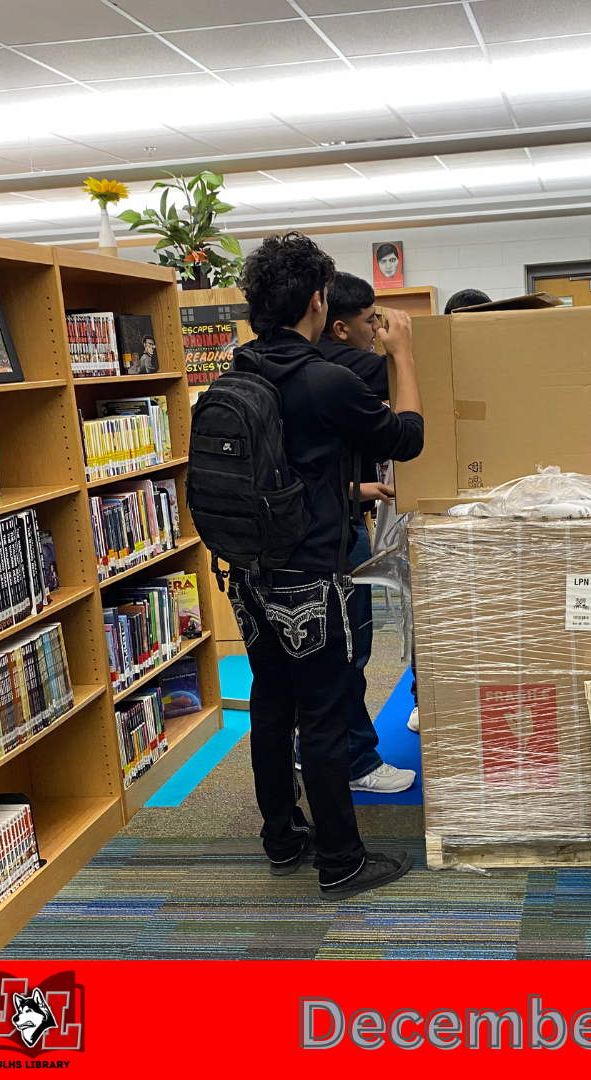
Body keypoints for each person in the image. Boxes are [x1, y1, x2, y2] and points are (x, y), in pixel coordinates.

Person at [229, 232, 424, 900]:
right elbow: (409, 438)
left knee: (270, 702)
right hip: (312, 574)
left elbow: (280, 474)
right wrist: (401, 355)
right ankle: (341, 860)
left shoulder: (238, 374)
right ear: (317, 300)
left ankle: (282, 837)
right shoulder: (326, 379)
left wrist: (347, 490)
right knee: (325, 707)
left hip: (250, 576)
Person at [310, 270, 416, 792]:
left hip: (307, 533)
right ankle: (357, 763)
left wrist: (362, 490)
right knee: (350, 652)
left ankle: (323, 753)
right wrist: (404, 353)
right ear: (338, 328)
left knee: (320, 661)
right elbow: (407, 435)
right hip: (332, 542)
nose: (377, 328)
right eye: (370, 320)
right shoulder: (342, 368)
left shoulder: (283, 370)